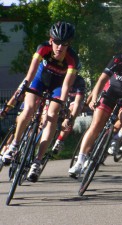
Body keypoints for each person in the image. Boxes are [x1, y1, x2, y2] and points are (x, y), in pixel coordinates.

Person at [1, 21, 80, 182]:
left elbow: (66, 85)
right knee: (29, 109)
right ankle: (14, 144)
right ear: (51, 40)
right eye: (56, 42)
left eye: (64, 43)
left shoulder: (73, 59)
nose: (59, 47)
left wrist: (62, 102)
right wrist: (23, 87)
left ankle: (37, 161)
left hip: (57, 86)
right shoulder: (42, 48)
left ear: (69, 44)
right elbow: (30, 74)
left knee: (52, 115)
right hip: (39, 80)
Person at [68, 38, 122, 177]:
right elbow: (102, 80)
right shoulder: (118, 60)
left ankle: (117, 137)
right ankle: (80, 161)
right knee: (96, 125)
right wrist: (94, 99)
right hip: (111, 92)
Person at [51, 75, 86, 153]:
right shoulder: (59, 77)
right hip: (59, 97)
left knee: (70, 116)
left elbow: (77, 103)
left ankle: (60, 141)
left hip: (73, 101)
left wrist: (70, 119)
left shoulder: (79, 81)